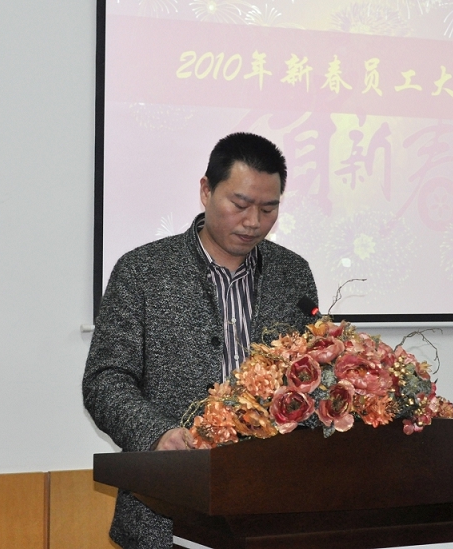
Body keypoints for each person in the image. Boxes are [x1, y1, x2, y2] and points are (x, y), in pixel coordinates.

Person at [83, 132, 319, 548]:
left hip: (270, 509)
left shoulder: (293, 273)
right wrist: (158, 434)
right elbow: (105, 380)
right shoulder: (143, 271)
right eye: (240, 205)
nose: (253, 222)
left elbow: (312, 373)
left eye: (268, 209)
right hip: (164, 511)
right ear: (206, 190)